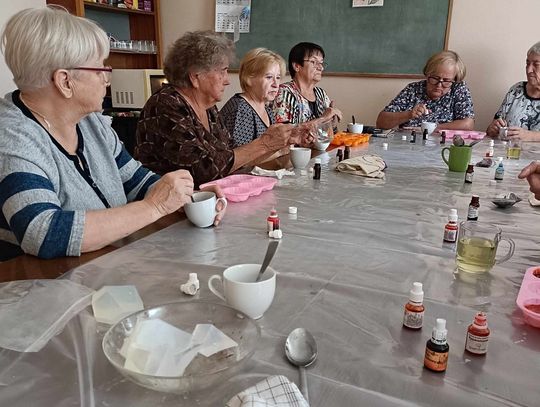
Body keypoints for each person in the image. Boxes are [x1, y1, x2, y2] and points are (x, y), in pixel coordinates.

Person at [0, 7, 223, 261]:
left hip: (107, 263)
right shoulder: (12, 136)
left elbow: (136, 181)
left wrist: (187, 199)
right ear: (65, 81)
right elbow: (42, 232)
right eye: (100, 70)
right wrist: (155, 206)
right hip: (46, 280)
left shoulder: (90, 122)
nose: (107, 79)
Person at [136, 31, 311, 188]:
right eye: (222, 71)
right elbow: (203, 171)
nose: (227, 80)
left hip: (207, 199)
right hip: (172, 207)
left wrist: (283, 141)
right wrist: (265, 143)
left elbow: (234, 159)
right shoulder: (166, 104)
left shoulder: (208, 107)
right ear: (196, 77)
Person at [376, 50, 474, 130]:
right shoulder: (413, 89)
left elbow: (468, 124)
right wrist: (409, 114)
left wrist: (431, 128)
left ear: (454, 80)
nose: (439, 85)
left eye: (446, 81)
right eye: (435, 78)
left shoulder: (458, 89)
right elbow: (381, 122)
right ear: (427, 75)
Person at [220, 48, 285, 148]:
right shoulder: (241, 109)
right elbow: (240, 155)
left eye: (278, 77)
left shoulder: (267, 110)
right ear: (249, 79)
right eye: (269, 77)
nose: (276, 85)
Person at [273, 42, 342, 127]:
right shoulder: (284, 93)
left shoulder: (321, 94)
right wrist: (322, 119)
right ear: (296, 66)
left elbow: (329, 131)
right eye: (313, 62)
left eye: (321, 63)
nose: (321, 68)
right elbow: (284, 132)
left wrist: (332, 123)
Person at [486, 42, 540, 141]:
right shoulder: (516, 90)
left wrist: (531, 136)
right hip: (508, 150)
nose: (529, 70)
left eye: (536, 65)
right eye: (527, 63)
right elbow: (493, 127)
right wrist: (493, 129)